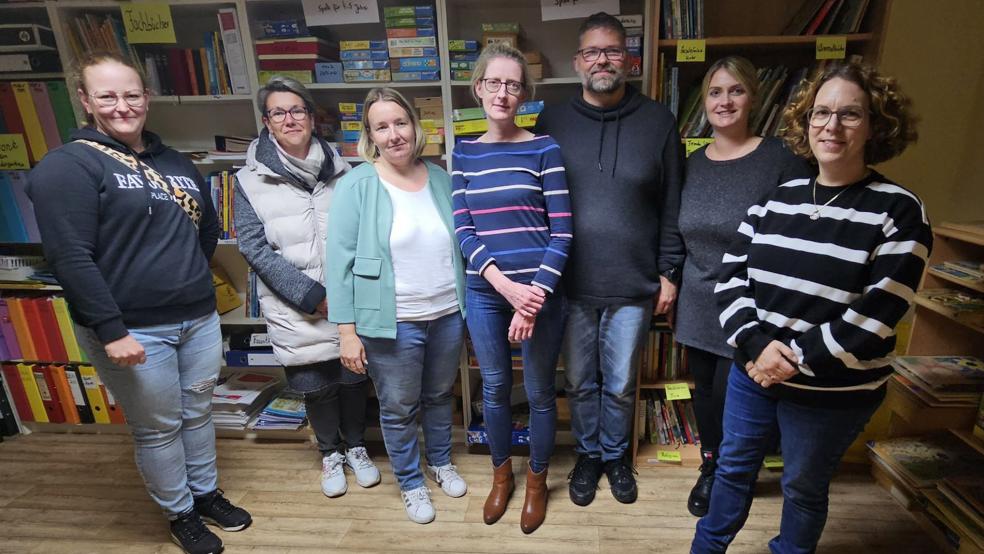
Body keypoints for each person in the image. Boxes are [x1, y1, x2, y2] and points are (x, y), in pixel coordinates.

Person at [692, 61, 930, 553]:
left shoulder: (898, 209)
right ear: (805, 121)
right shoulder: (775, 200)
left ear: (875, 124)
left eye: (850, 114)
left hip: (834, 388)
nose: (832, 126)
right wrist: (759, 348)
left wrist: (789, 360)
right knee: (731, 471)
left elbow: (878, 312)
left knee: (802, 487)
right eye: (821, 112)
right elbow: (730, 279)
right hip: (755, 372)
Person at [26, 52, 251, 554]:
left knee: (196, 413)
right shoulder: (68, 166)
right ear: (85, 100)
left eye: (131, 94)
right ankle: (181, 513)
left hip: (196, 320)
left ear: (146, 97)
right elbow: (69, 257)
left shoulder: (173, 162)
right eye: (107, 95)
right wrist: (111, 329)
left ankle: (206, 493)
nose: (122, 105)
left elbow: (207, 229)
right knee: (158, 427)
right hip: (132, 331)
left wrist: (184, 277)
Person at [533, 12, 685, 506]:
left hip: (634, 283)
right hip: (570, 283)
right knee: (578, 382)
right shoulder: (551, 121)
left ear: (629, 58)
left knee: (619, 384)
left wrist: (668, 272)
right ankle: (589, 455)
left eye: (613, 50)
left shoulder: (658, 121)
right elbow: (534, 203)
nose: (603, 60)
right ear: (578, 62)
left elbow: (672, 204)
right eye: (593, 52)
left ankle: (617, 457)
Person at [676, 57, 812, 517]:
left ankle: (736, 472)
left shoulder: (780, 158)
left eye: (735, 91)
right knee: (707, 397)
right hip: (697, 303)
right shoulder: (693, 162)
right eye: (715, 92)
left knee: (744, 398)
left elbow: (796, 237)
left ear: (752, 97)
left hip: (752, 309)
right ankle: (711, 466)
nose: (724, 101)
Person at [325, 87, 467, 525]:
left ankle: (440, 462)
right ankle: (410, 481)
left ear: (415, 126)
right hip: (394, 322)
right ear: (370, 136)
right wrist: (347, 332)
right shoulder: (357, 184)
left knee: (441, 395)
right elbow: (339, 262)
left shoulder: (442, 178)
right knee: (399, 407)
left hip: (446, 313)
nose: (393, 134)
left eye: (400, 123)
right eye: (381, 127)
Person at [234, 76, 380, 499]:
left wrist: (346, 295)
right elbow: (255, 249)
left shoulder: (345, 172)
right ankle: (330, 451)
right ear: (267, 122)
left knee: (353, 380)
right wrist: (313, 296)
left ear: (312, 118)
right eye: (279, 112)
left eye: (297, 110)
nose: (289, 119)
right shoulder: (249, 181)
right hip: (296, 306)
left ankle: (356, 447)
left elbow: (362, 236)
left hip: (349, 302)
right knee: (316, 387)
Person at [452, 42, 572, 534]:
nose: (503, 92)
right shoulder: (462, 153)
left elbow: (562, 231)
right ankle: (501, 476)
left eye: (514, 84)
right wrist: (506, 289)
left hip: (542, 294)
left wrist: (531, 298)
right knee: (497, 388)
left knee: (541, 392)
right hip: (487, 291)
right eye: (494, 82)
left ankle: (538, 481)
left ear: (526, 94)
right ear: (478, 87)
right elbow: (464, 232)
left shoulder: (545, 149)